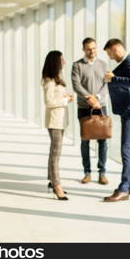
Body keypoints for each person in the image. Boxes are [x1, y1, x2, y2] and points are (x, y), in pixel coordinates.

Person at [103, 38, 130, 202]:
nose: (111, 57)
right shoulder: (128, 62)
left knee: (126, 149)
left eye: (110, 54)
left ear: (116, 48)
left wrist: (113, 78)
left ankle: (124, 188)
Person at [71, 38, 109, 185]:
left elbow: (106, 84)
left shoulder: (103, 64)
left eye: (94, 48)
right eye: (88, 49)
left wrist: (97, 98)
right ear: (83, 49)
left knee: (102, 140)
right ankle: (87, 172)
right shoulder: (77, 66)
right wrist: (89, 98)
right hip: (84, 107)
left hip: (101, 106)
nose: (91, 51)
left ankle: (102, 172)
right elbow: (76, 85)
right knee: (85, 140)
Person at [42, 50, 73, 201]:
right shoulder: (48, 81)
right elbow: (48, 103)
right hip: (54, 121)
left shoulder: (57, 78)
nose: (64, 62)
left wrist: (66, 97)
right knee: (56, 154)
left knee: (55, 152)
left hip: (60, 120)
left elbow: (57, 98)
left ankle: (51, 180)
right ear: (55, 61)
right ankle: (57, 185)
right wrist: (65, 101)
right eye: (62, 59)